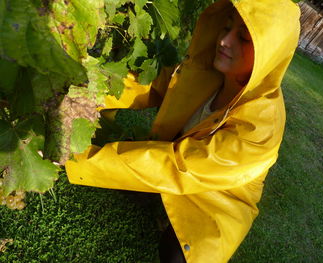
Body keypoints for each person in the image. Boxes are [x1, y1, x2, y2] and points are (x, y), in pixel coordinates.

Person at [65, 0, 300, 262]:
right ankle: (153, 197)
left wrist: (80, 159)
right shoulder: (205, 70)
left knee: (181, 255)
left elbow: (180, 167)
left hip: (217, 200)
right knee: (134, 175)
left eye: (243, 38)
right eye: (225, 28)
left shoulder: (260, 129)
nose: (224, 41)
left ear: (270, 54)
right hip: (175, 167)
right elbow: (150, 86)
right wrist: (85, 96)